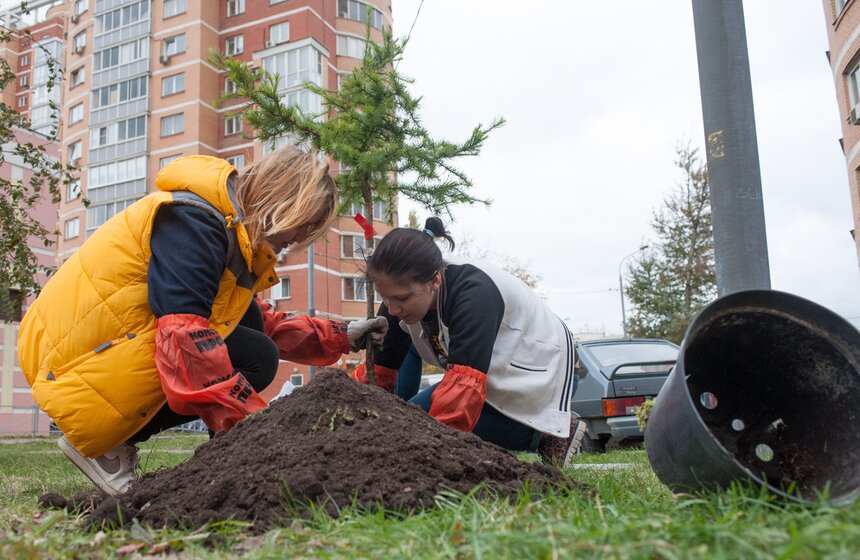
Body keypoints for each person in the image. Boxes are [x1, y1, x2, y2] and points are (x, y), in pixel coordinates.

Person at [17, 147, 387, 496]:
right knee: (256, 355)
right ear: (283, 204)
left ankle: (218, 459)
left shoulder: (227, 230)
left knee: (253, 327)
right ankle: (107, 445)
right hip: (69, 364)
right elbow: (185, 336)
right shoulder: (197, 222)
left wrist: (342, 337)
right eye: (300, 227)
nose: (295, 240)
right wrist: (258, 433)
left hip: (91, 352)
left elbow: (259, 322)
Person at [351, 217, 586, 466]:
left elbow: (462, 391)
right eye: (384, 298)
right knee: (404, 420)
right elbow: (378, 373)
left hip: (544, 370)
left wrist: (430, 451)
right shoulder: (397, 296)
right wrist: (368, 423)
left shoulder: (474, 292)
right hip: (489, 365)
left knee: (421, 425)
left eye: (401, 299)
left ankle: (543, 433)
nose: (392, 307)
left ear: (435, 281)